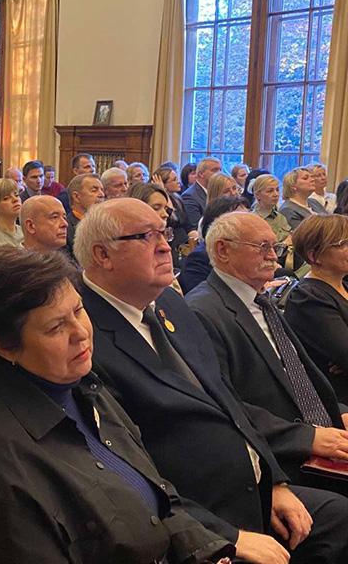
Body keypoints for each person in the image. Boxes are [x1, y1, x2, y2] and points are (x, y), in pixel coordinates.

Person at [75, 198, 348, 564]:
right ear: (102, 255)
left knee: (339, 520)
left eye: (164, 233)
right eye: (146, 236)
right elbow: (125, 468)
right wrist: (225, 535)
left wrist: (273, 481)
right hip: (195, 514)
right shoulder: (84, 335)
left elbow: (227, 399)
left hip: (250, 485)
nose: (165, 246)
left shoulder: (170, 304)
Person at [0, 248, 235, 564]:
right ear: (4, 346)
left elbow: (158, 498)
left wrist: (209, 549)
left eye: (79, 310)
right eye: (55, 327)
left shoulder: (80, 385)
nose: (81, 333)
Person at [185, 212, 348, 490]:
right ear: (223, 250)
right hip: (278, 456)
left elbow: (298, 375)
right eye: (263, 247)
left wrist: (338, 413)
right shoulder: (203, 311)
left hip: (320, 429)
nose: (274, 256)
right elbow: (223, 403)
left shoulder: (261, 300)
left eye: (276, 247)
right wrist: (306, 437)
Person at [285, 215, 348, 402]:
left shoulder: (344, 285)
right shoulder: (308, 298)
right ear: (314, 255)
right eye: (342, 244)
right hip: (338, 403)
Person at [178, 196, 250, 294]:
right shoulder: (200, 258)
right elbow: (201, 297)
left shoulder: (247, 249)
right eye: (242, 221)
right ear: (218, 225)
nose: (249, 226)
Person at [252, 174, 297, 271]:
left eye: (277, 190)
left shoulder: (281, 217)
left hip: (291, 259)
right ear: (257, 195)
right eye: (270, 191)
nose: (276, 194)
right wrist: (284, 244)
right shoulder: (254, 220)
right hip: (270, 265)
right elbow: (260, 252)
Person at [65, 173, 104, 254]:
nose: (102, 195)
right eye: (94, 190)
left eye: (102, 190)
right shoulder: (65, 228)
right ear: (76, 197)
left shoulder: (104, 224)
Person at [182, 157, 223, 228]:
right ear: (201, 174)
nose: (219, 174)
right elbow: (197, 227)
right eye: (215, 170)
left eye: (220, 170)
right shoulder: (189, 196)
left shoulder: (219, 192)